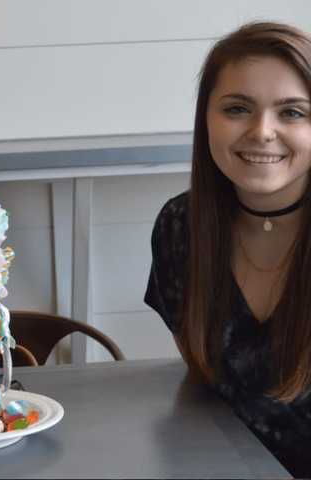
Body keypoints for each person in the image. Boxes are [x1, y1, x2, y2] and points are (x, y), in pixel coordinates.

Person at [145, 22, 311, 477]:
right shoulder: (181, 228)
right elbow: (210, 389)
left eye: (292, 113)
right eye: (238, 108)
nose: (262, 131)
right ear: (206, 118)